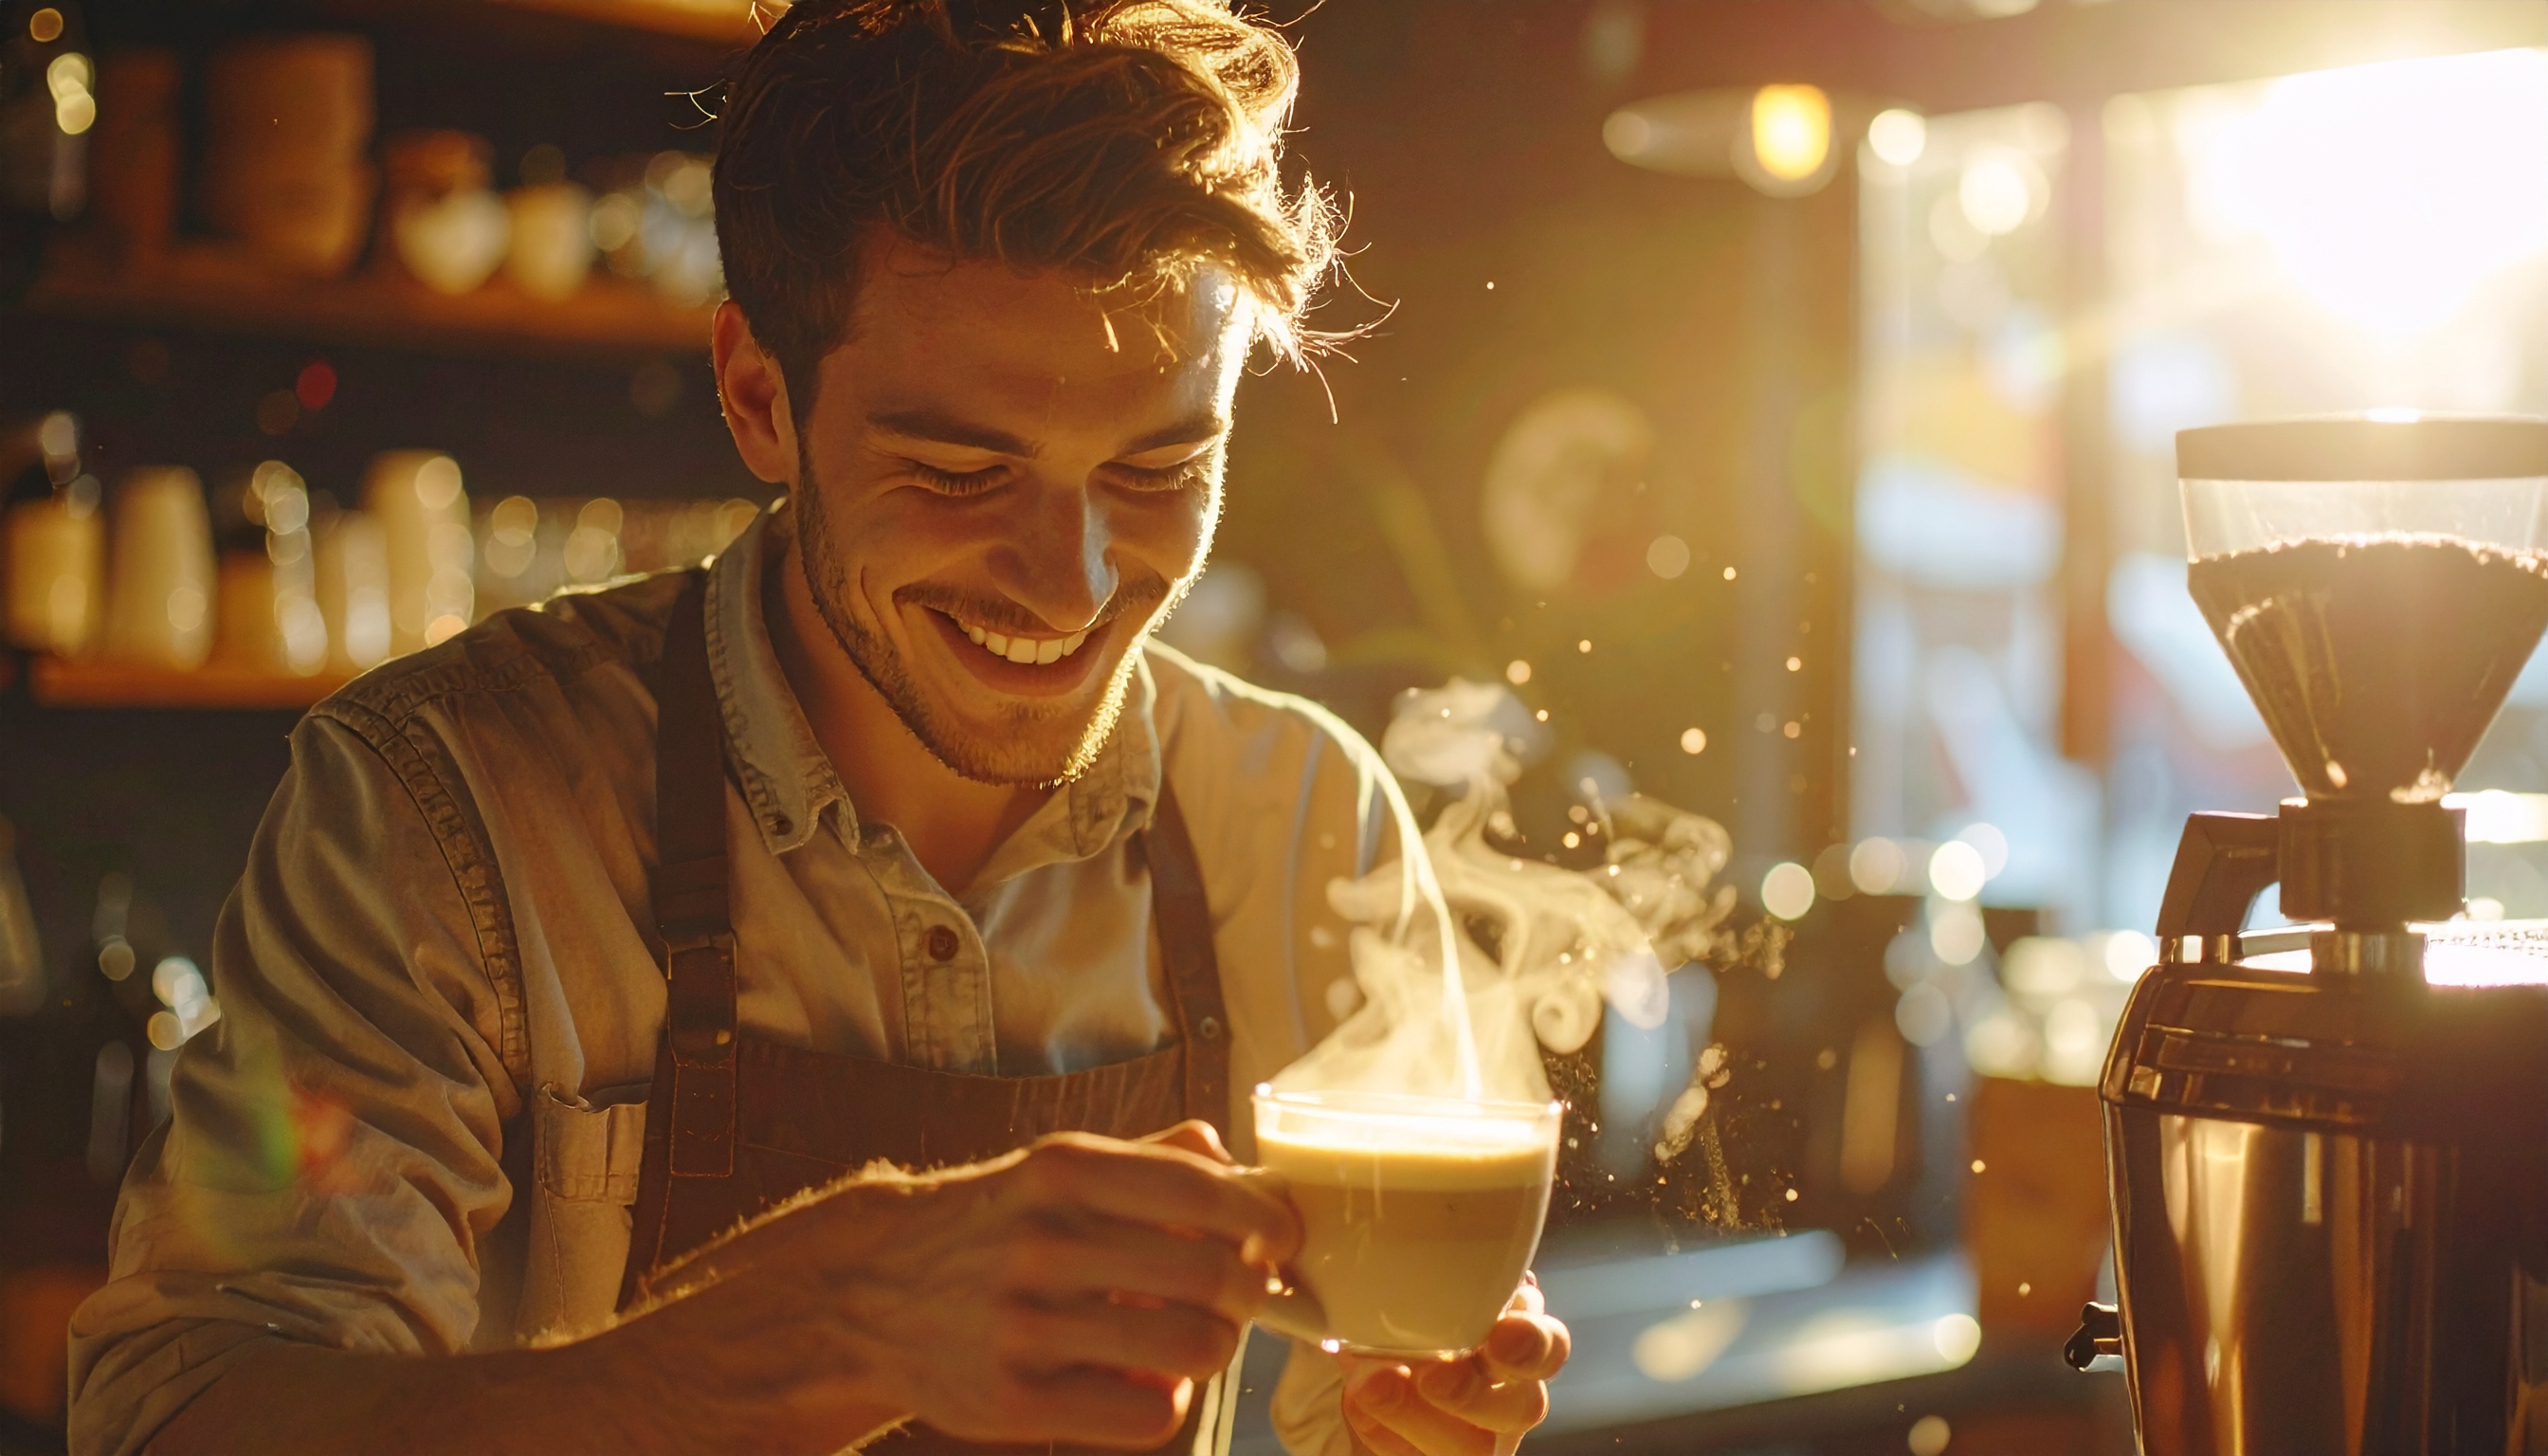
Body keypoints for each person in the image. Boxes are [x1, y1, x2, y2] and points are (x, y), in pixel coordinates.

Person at [66, 3, 1572, 1453]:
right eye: (960, 472)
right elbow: (184, 1415)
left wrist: (1415, 1431)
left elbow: (1345, 1418)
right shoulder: (444, 807)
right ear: (756, 395)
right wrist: (796, 1342)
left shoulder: (1303, 818)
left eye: (1156, 468)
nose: (1077, 583)